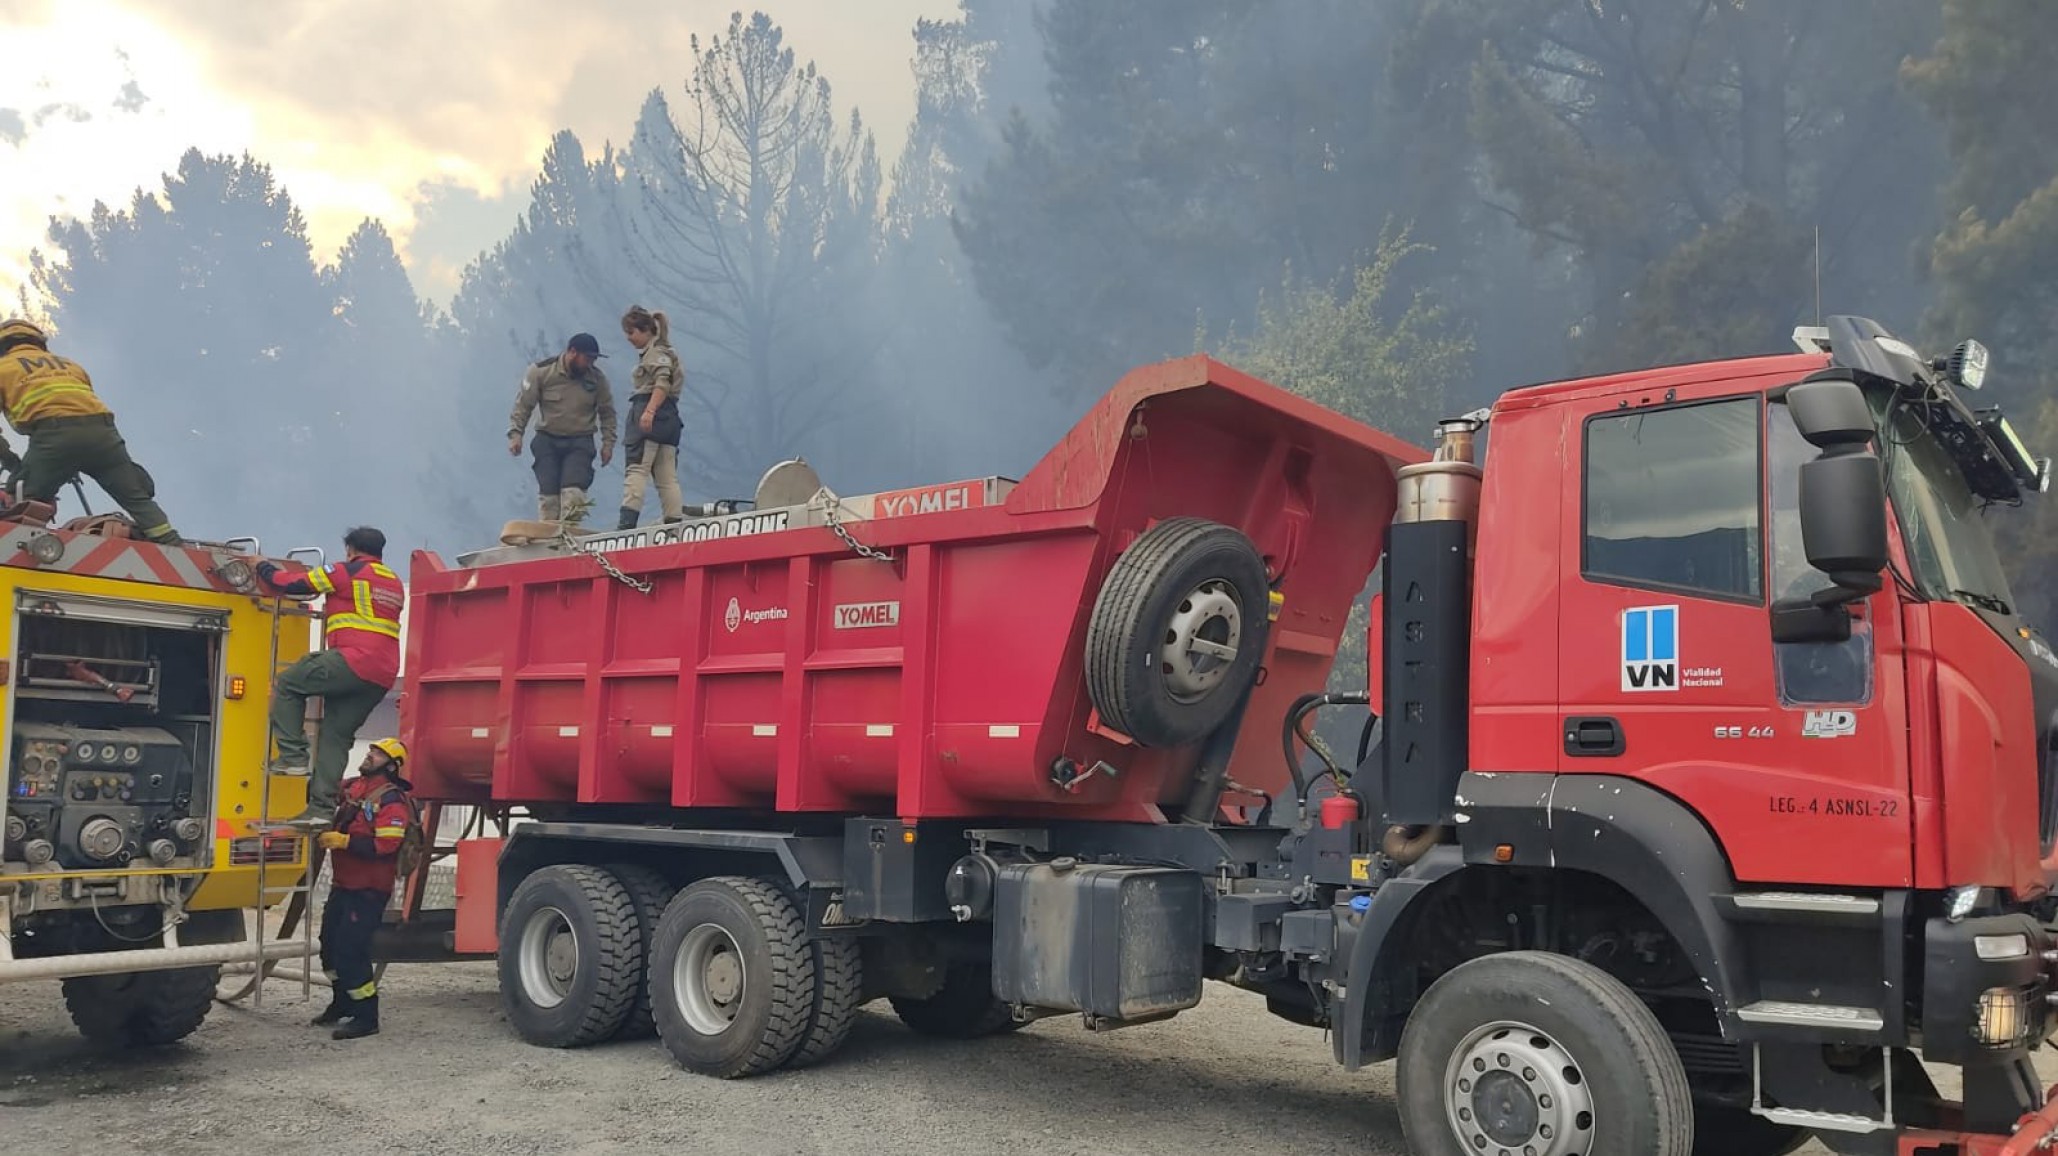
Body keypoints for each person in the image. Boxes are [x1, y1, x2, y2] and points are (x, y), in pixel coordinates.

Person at [248, 527, 405, 820]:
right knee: (336, 736)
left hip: (352, 659)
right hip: (382, 674)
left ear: (351, 549)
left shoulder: (347, 570)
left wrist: (261, 566)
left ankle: (293, 755)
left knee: (288, 683)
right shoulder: (393, 582)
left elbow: (292, 583)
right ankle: (320, 810)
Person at [0, 318, 182, 544]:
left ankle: (23, 549)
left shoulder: (4, 369)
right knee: (137, 499)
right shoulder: (71, 365)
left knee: (21, 497)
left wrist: (13, 465)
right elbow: (82, 404)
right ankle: (171, 542)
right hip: (104, 435)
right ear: (39, 342)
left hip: (54, 436)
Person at [310, 736, 415, 1041]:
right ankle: (341, 1002)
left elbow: (387, 844)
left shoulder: (392, 800)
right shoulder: (353, 787)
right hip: (343, 885)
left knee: (351, 951)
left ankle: (366, 1014)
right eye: (371, 750)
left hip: (368, 890)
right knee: (329, 945)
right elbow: (325, 788)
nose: (370, 755)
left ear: (392, 766)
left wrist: (344, 841)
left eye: (378, 753)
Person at [509, 333, 616, 523]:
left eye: (593, 359)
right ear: (572, 352)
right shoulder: (541, 372)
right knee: (549, 496)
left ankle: (569, 533)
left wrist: (608, 443)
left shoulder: (597, 380)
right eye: (587, 358)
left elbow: (607, 413)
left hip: (580, 442)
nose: (590, 363)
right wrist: (516, 434)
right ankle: (549, 537)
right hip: (547, 440)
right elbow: (523, 405)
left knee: (574, 493)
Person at [615, 304, 684, 530]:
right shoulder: (669, 352)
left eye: (631, 332)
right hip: (671, 420)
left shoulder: (655, 354)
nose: (628, 338)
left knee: (637, 469)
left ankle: (627, 525)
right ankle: (674, 524)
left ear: (646, 330)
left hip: (650, 414)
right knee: (667, 477)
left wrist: (649, 411)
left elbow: (662, 383)